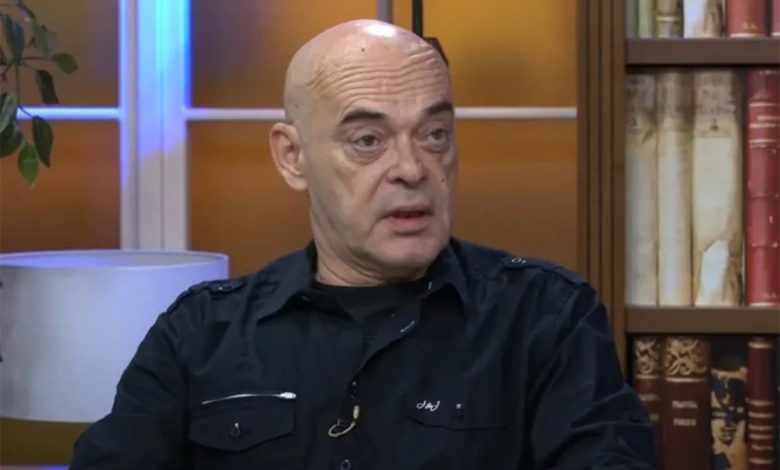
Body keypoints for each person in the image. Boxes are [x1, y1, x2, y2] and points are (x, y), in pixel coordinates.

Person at [70, 19, 657, 470]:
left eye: (434, 134)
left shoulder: (545, 318)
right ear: (292, 157)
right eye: (368, 140)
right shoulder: (200, 334)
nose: (412, 168)